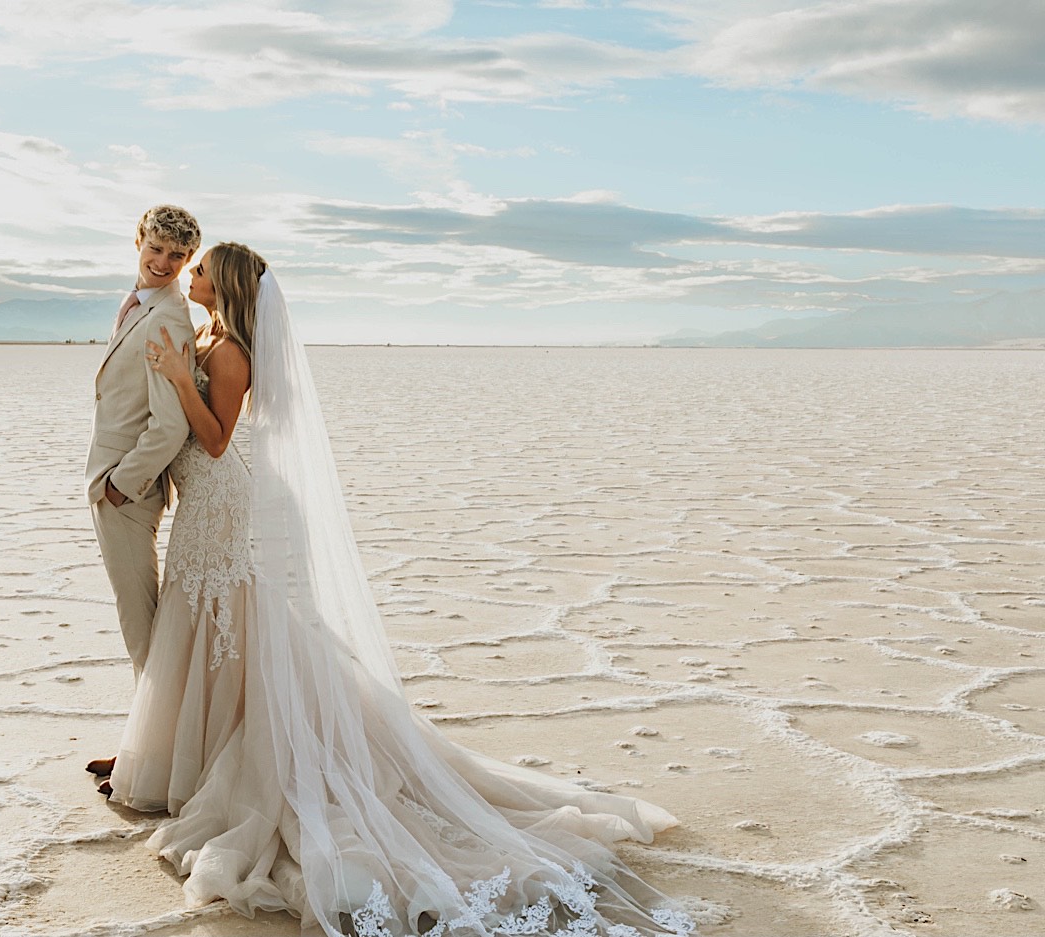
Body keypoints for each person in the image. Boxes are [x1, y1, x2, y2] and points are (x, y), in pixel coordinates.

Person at [89, 243, 695, 937]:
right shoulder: (209, 335)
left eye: (197, 269)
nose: (187, 274)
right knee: (206, 625)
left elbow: (219, 440)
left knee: (227, 620)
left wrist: (174, 374)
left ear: (221, 283)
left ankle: (211, 757)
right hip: (202, 504)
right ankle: (184, 752)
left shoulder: (228, 353)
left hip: (220, 498)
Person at [84, 205, 200, 683]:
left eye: (177, 255)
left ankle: (153, 749)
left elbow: (169, 425)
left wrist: (121, 485)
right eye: (156, 248)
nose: (163, 262)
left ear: (190, 259)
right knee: (136, 620)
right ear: (138, 241)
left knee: (140, 624)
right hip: (113, 481)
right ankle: (152, 740)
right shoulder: (142, 304)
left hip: (127, 490)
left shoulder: (168, 318)